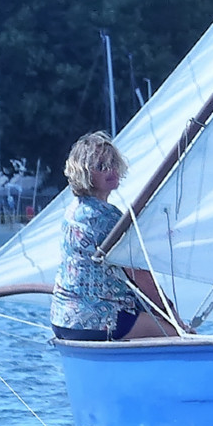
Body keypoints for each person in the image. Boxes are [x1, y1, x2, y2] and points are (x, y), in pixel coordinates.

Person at [50, 131, 184, 340]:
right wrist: (173, 315)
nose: (111, 170)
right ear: (84, 172)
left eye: (113, 163)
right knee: (176, 335)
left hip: (63, 319)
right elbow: (138, 274)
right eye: (101, 166)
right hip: (97, 320)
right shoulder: (106, 217)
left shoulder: (73, 211)